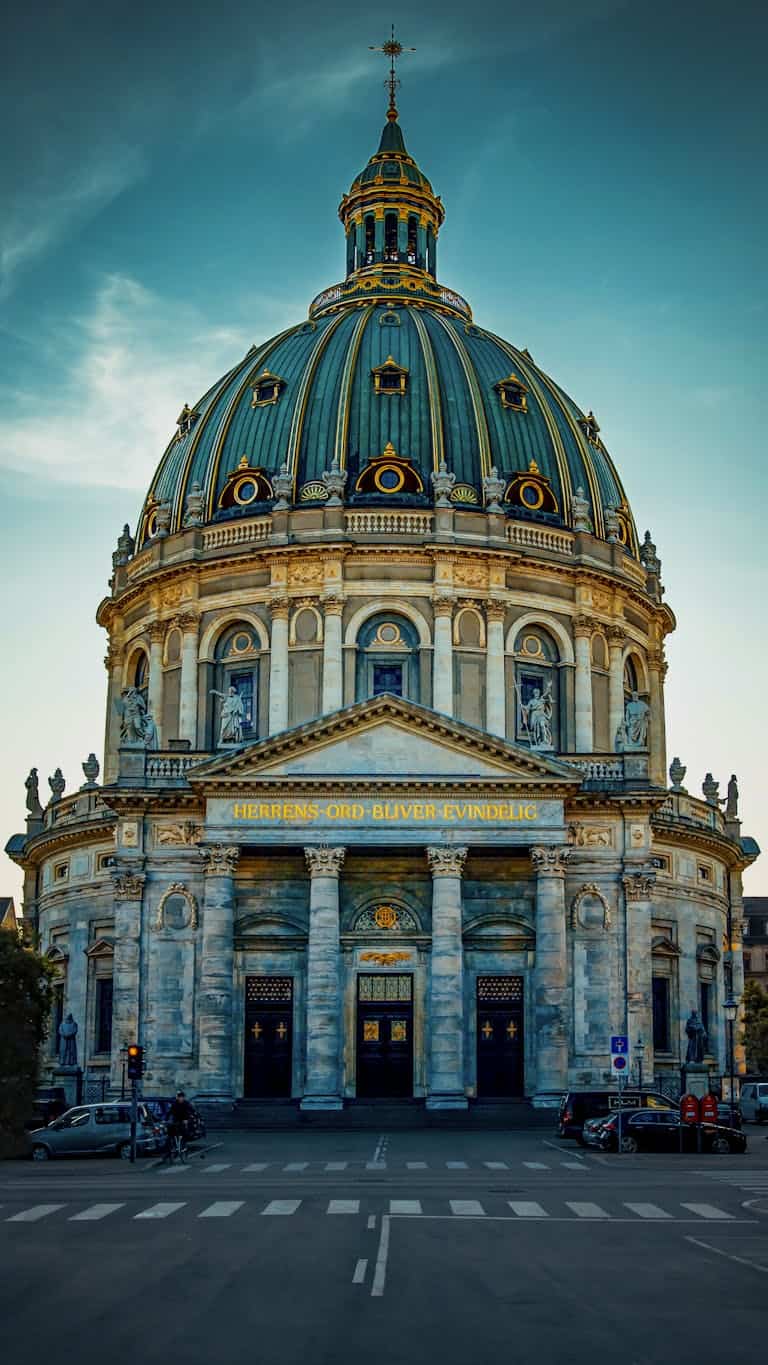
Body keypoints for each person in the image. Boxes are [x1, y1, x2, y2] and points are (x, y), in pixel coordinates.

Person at [163, 1089, 196, 1161]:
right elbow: (169, 1112)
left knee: (184, 1133)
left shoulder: (186, 1104)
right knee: (169, 1135)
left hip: (185, 1120)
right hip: (176, 1120)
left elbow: (192, 1111)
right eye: (179, 1097)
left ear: (183, 1098)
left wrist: (188, 1119)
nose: (180, 1098)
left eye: (181, 1097)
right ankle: (169, 1152)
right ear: (177, 1098)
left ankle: (183, 1146)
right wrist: (165, 1120)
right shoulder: (174, 1104)